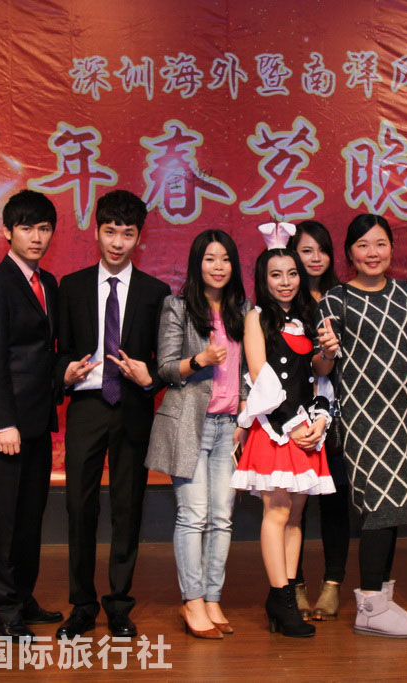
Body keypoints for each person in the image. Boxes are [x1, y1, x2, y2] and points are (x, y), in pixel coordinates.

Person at [315, 213, 407, 639]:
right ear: (349, 253)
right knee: (380, 504)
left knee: (397, 506)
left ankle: (382, 600)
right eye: (363, 245)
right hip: (362, 420)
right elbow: (320, 367)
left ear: (392, 248)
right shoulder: (335, 299)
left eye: (380, 244)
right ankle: (369, 605)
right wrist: (327, 352)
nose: (373, 253)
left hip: (403, 418)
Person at [54, 190, 171, 639]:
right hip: (86, 407)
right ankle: (82, 605)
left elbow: (164, 361)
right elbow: (59, 350)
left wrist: (149, 378)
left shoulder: (156, 293)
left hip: (133, 408)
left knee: (128, 506)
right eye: (110, 232)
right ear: (96, 231)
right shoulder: (72, 286)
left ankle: (119, 604)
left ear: (139, 238)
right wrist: (65, 373)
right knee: (79, 507)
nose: (118, 242)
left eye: (127, 234)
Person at [145, 229, 250, 639]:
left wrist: (244, 412)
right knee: (194, 515)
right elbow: (165, 368)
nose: (218, 267)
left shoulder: (243, 310)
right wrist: (200, 359)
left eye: (225, 259)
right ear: (197, 264)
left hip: (229, 427)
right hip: (190, 424)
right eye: (210, 259)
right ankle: (192, 600)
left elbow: (247, 370)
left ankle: (212, 597)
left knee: (222, 517)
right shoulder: (177, 307)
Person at [232, 223, 334, 638]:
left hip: (307, 427)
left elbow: (319, 372)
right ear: (263, 278)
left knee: (296, 514)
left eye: (292, 273)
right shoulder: (256, 318)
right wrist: (293, 425)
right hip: (276, 427)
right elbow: (260, 375)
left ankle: (287, 593)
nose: (286, 281)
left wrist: (329, 353)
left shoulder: (310, 316)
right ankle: (280, 597)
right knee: (276, 512)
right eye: (276, 275)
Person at [0, 190, 65, 640]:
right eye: (27, 228)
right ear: (8, 232)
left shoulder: (49, 284)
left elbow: (45, 352)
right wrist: (3, 422)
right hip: (7, 425)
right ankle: (3, 608)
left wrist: (66, 375)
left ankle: (23, 597)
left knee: (30, 517)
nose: (36, 237)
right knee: (2, 518)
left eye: (44, 228)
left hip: (39, 420)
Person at [287, 220, 350, 621]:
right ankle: (292, 585)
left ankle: (331, 585)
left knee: (335, 502)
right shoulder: (284, 301)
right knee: (292, 505)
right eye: (305, 250)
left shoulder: (343, 297)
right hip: (293, 416)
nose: (314, 258)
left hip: (339, 415)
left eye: (321, 250)